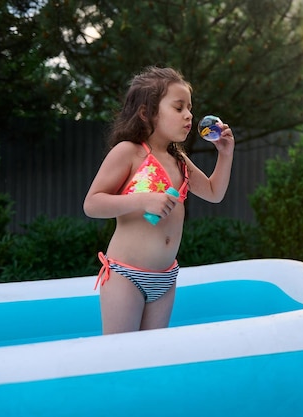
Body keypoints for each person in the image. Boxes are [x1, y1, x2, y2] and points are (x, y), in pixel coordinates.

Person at [83, 66, 234, 334]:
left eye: (189, 108)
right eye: (178, 108)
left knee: (151, 357)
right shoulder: (129, 152)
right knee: (120, 356)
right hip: (126, 275)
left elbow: (214, 193)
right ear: (147, 113)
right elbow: (92, 204)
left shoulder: (179, 160)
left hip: (165, 278)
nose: (189, 115)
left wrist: (225, 154)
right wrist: (142, 201)